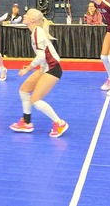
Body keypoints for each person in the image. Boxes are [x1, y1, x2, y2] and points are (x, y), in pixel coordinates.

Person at [10, 9, 68, 138]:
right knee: (24, 90)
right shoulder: (35, 32)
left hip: (52, 69)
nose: (24, 16)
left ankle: (59, 123)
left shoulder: (38, 33)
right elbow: (42, 57)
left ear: (33, 20)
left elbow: (41, 56)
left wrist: (27, 69)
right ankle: (26, 122)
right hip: (44, 68)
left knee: (35, 100)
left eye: (27, 15)